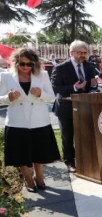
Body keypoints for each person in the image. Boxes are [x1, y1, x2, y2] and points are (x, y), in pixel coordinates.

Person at [1, 49, 60, 193]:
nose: (26, 67)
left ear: (34, 64)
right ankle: (28, 179)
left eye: (29, 64)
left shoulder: (43, 75)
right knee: (21, 153)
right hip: (17, 121)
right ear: (15, 63)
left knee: (39, 151)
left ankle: (38, 176)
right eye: (22, 64)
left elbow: (51, 97)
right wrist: (8, 97)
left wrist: (40, 94)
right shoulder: (6, 76)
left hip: (39, 120)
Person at [51, 40, 98, 172]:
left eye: (85, 53)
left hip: (85, 107)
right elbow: (55, 87)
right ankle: (69, 162)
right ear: (71, 53)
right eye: (79, 53)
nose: (83, 55)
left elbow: (89, 87)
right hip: (66, 108)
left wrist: (94, 84)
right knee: (67, 136)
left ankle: (84, 158)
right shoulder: (60, 68)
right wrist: (73, 87)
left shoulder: (89, 66)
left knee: (84, 134)